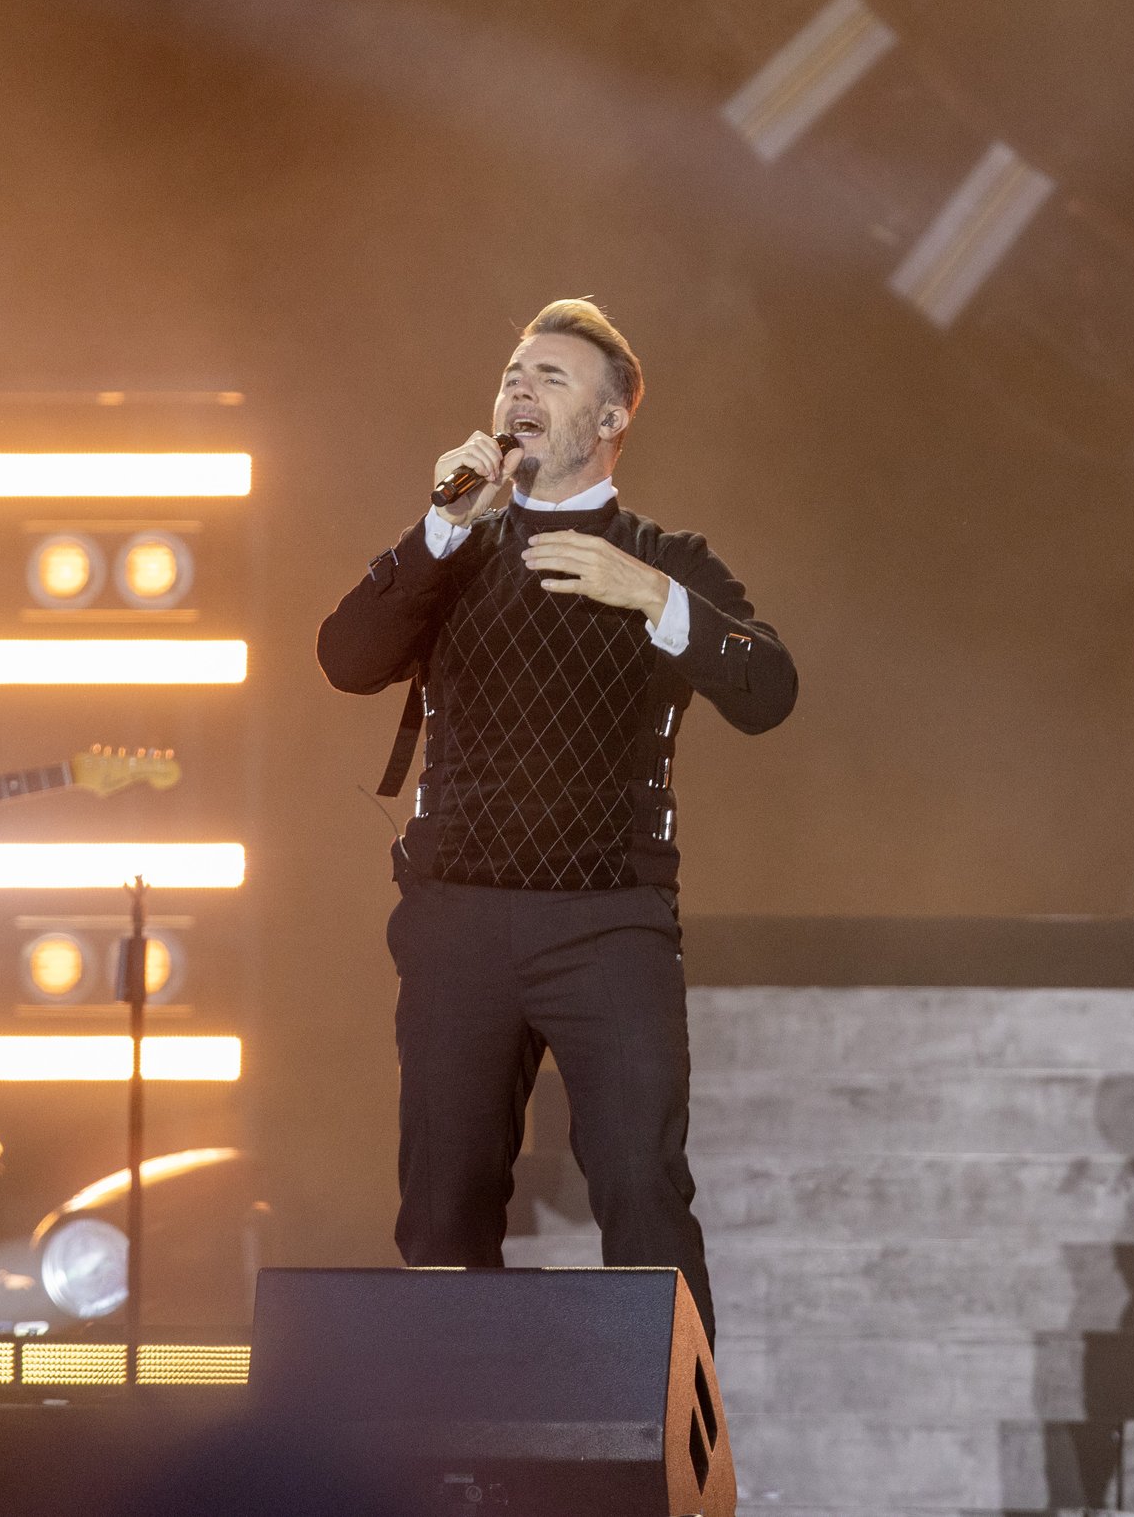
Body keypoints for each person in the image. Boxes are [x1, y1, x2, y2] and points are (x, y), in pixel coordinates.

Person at [318, 298, 796, 1340]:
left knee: (641, 1187)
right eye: (511, 373)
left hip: (608, 924)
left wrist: (655, 596)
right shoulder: (456, 552)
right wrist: (443, 523)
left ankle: (680, 1477)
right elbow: (347, 658)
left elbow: (770, 690)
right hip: (458, 922)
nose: (519, 390)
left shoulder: (666, 556)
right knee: (443, 1210)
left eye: (551, 376)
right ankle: (453, 1469)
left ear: (612, 417)